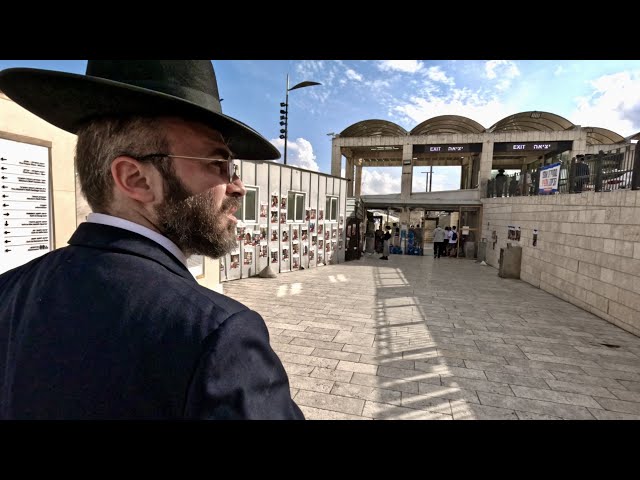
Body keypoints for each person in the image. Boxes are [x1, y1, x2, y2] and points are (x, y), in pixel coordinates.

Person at [0, 60, 304, 420]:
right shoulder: (218, 335)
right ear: (136, 178)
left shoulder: (8, 291)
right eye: (218, 163)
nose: (237, 186)